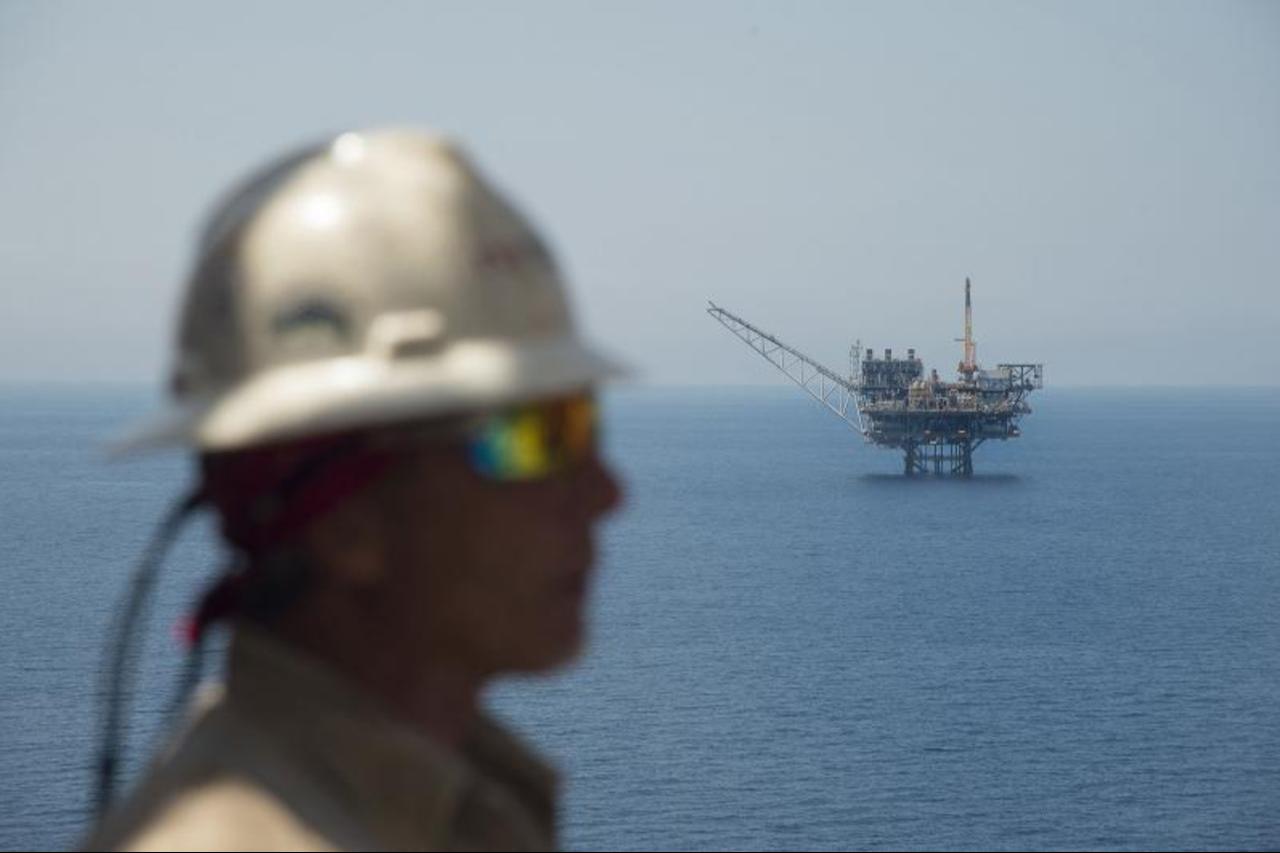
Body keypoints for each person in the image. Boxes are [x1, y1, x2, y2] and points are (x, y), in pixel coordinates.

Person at [82, 128, 626, 851]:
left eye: (582, 423)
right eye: (533, 436)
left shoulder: (453, 809)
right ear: (348, 526)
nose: (605, 492)